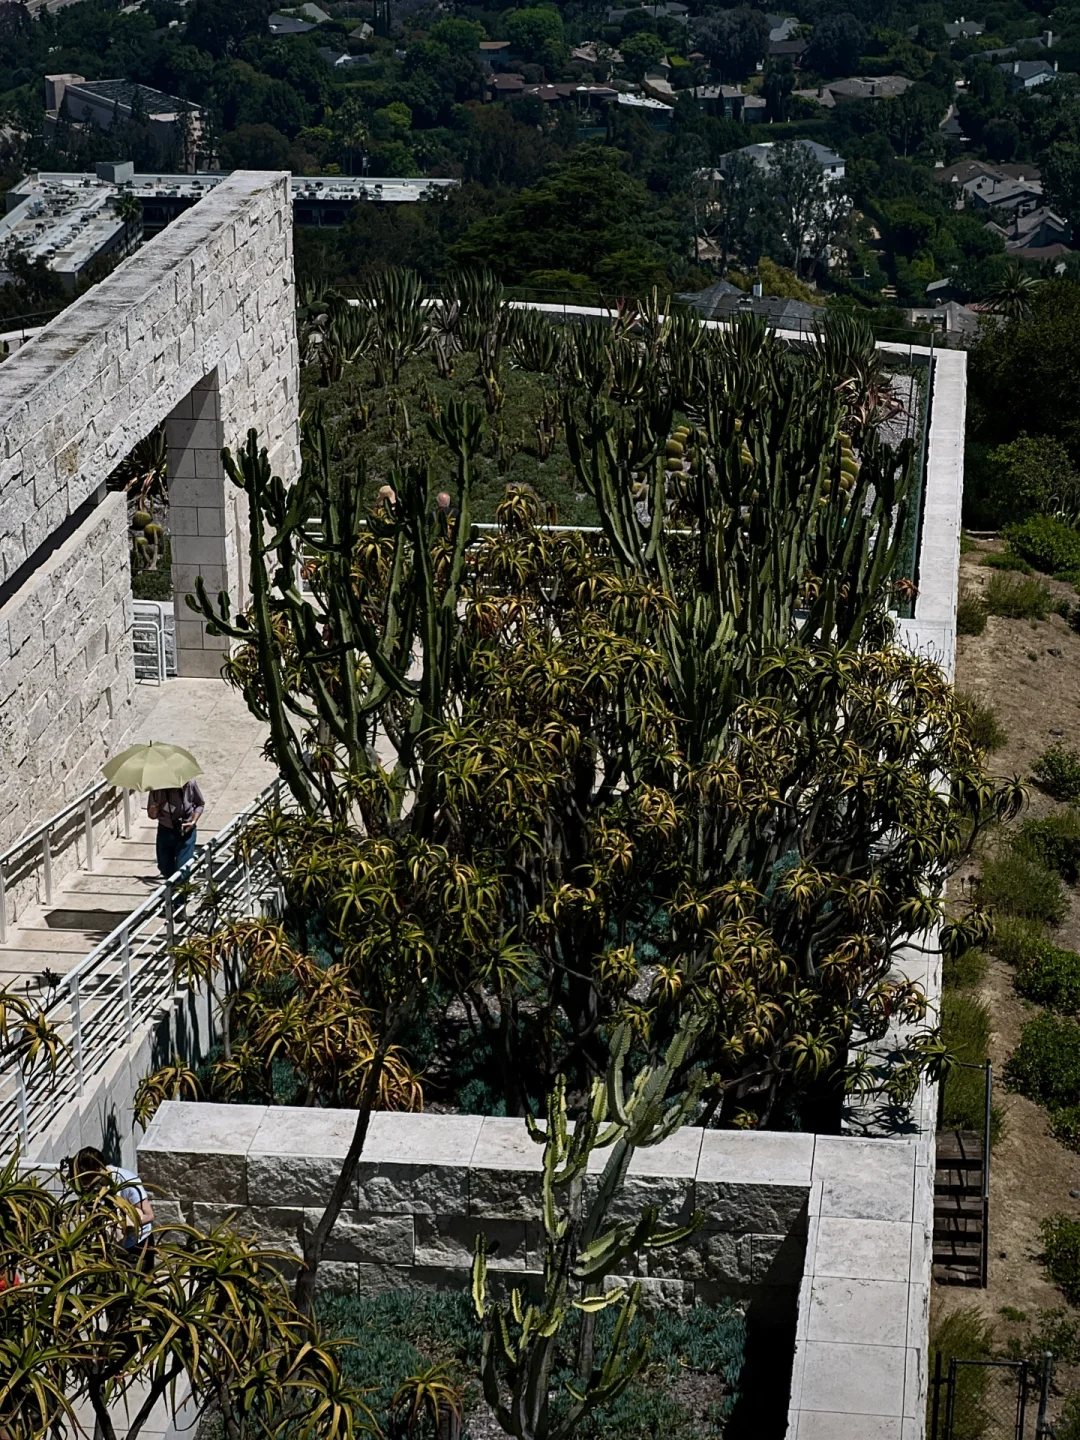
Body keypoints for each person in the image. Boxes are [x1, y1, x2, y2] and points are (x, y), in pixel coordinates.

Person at [71, 1147, 155, 1272]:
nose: (85, 1184)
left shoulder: (127, 1180)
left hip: (137, 1245)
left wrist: (121, 1225)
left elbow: (149, 1215)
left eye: (88, 1178)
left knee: (140, 1285)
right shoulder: (91, 1187)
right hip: (111, 1247)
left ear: (98, 1170)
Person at [147, 779, 204, 878]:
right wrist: (152, 812)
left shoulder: (190, 784)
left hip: (186, 831)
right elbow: (152, 815)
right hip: (165, 830)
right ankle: (172, 890)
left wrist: (193, 821)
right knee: (164, 867)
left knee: (182, 869)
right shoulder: (156, 789)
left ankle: (180, 892)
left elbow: (200, 804)